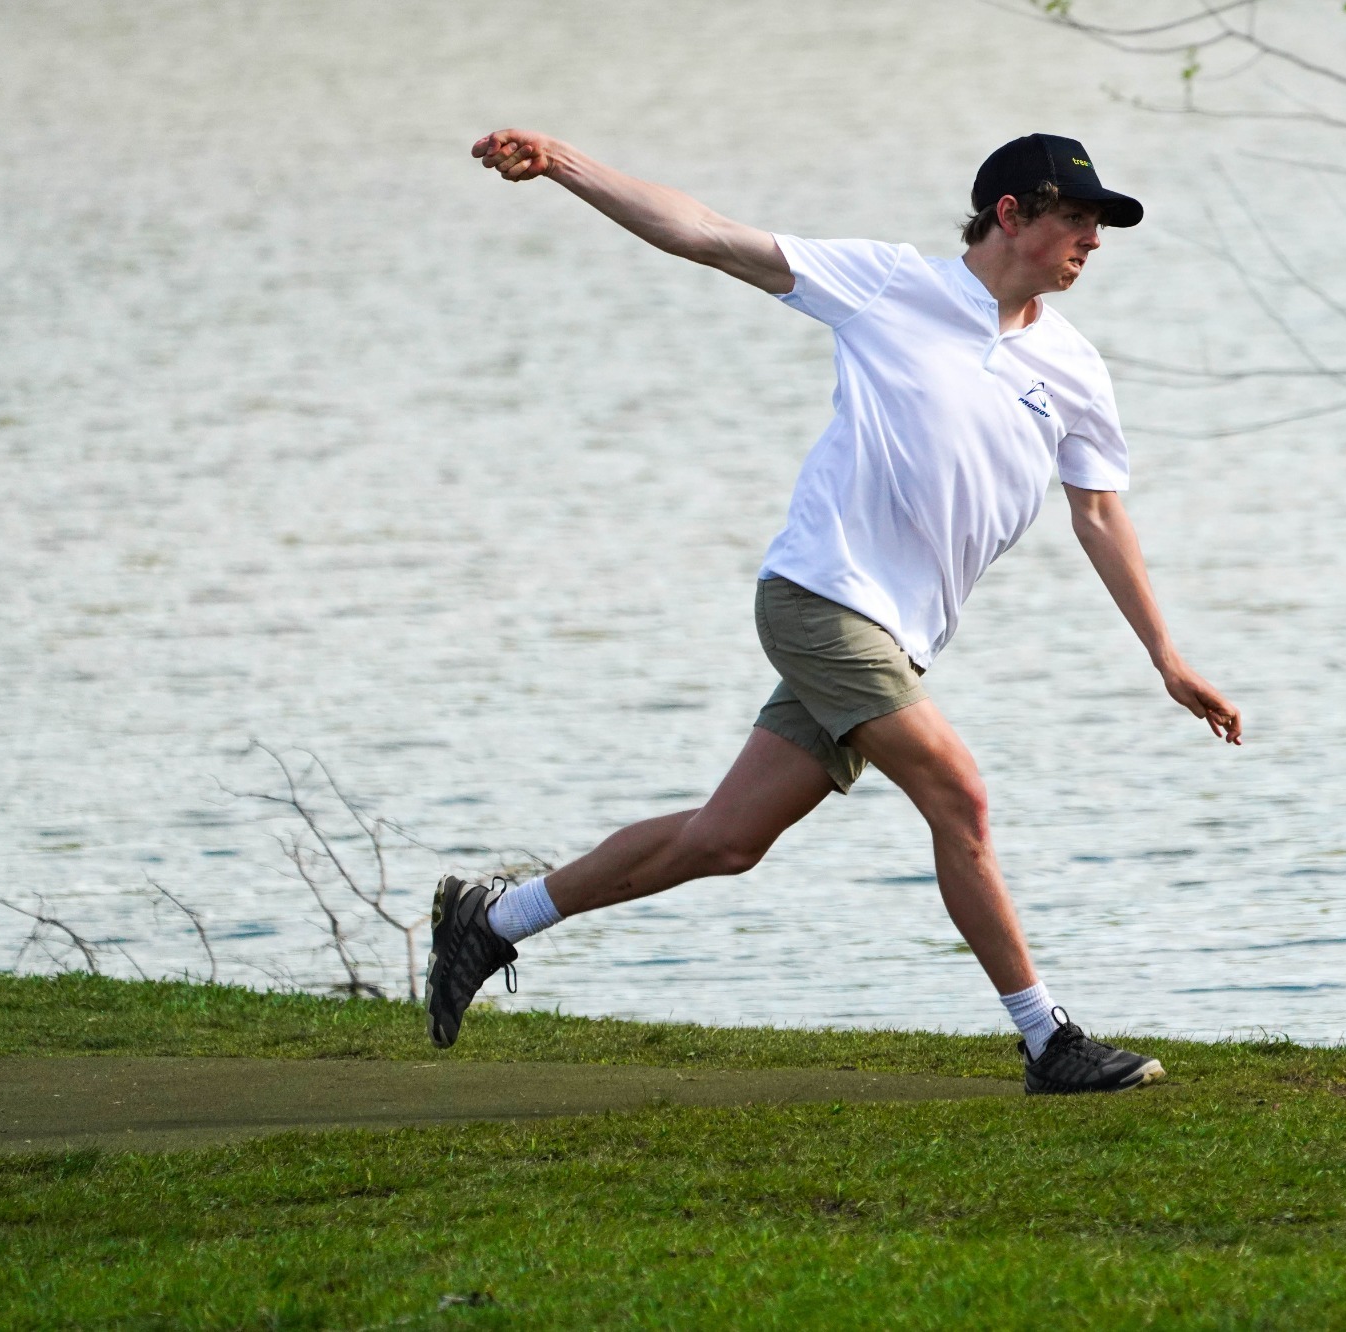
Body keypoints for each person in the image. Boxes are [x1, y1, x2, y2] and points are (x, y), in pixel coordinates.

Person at [425, 128, 1244, 1094]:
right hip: (823, 598)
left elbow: (1100, 512)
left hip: (898, 634)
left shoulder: (1073, 365)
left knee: (726, 841)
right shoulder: (891, 286)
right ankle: (1047, 1041)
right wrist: (564, 165)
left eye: (1101, 224)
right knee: (959, 794)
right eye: (1077, 216)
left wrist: (1166, 657)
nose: (1094, 239)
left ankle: (495, 919)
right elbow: (705, 234)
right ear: (1011, 214)